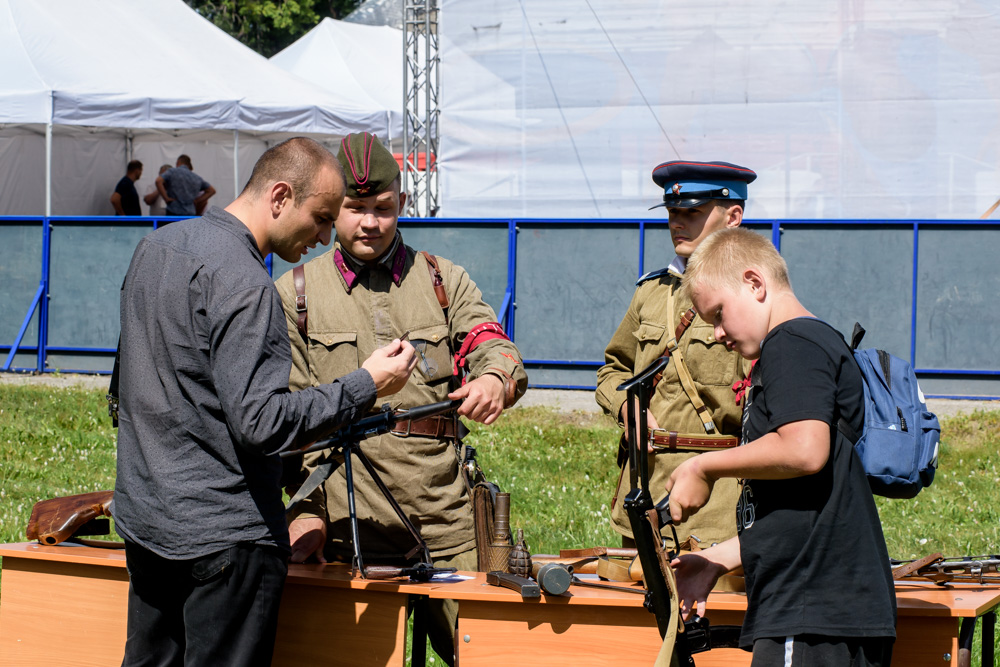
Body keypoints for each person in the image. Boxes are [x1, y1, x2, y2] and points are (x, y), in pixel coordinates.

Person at [112, 137, 417, 667]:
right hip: (225, 543)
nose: (324, 237)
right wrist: (366, 383)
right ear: (279, 196)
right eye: (322, 218)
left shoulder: (155, 249)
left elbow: (124, 387)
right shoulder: (249, 284)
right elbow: (264, 425)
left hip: (147, 525)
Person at [274, 131, 527, 666]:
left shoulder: (440, 279)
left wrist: (493, 380)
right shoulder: (293, 294)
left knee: (482, 655)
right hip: (345, 523)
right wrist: (306, 514)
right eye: (355, 208)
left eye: (383, 208)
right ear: (331, 207)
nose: (370, 222)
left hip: (445, 521)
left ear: (402, 205)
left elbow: (491, 341)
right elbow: (287, 424)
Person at [666, 227, 896, 665]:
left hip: (812, 613)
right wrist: (716, 560)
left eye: (717, 314)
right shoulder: (803, 346)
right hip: (820, 611)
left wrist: (705, 467)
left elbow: (805, 450)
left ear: (754, 284)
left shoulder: (792, 344)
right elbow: (802, 509)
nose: (717, 334)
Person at [596, 160, 755, 550]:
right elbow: (613, 369)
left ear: (733, 215)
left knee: (716, 611)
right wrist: (625, 409)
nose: (676, 222)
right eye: (672, 212)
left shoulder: (753, 296)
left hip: (718, 500)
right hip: (646, 492)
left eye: (691, 212)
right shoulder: (651, 292)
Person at [156, 154, 216, 218]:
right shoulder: (196, 177)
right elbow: (212, 190)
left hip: (173, 211)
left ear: (178, 162)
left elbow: (158, 181)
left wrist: (166, 198)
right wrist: (196, 201)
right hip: (190, 213)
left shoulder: (172, 172)